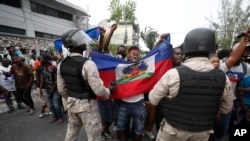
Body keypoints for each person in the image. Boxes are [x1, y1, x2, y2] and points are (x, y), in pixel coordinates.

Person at [149, 27, 234, 141]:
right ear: (213, 48)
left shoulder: (173, 74)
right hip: (202, 134)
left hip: (172, 132)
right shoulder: (222, 77)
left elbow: (153, 99)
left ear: (185, 49)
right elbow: (226, 108)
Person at [57, 28, 115, 141]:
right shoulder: (88, 64)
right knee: (94, 137)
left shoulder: (61, 64)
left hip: (71, 104)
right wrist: (109, 90)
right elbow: (98, 90)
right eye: (80, 39)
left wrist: (72, 97)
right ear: (75, 44)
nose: (84, 42)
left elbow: (61, 89)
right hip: (88, 107)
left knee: (71, 135)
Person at [115, 46, 146, 141]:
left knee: (139, 129)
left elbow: (154, 54)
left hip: (139, 104)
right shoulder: (121, 67)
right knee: (120, 127)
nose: (135, 53)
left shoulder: (144, 67)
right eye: (133, 52)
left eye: (137, 52)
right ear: (128, 56)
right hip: (124, 103)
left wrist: (160, 42)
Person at [40, 54, 63, 123]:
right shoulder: (43, 69)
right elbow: (42, 80)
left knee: (56, 104)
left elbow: (56, 80)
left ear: (46, 60)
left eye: (41, 59)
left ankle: (60, 117)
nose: (40, 60)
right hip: (47, 89)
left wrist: (53, 89)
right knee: (51, 105)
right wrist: (41, 89)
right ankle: (55, 116)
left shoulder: (53, 68)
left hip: (55, 89)